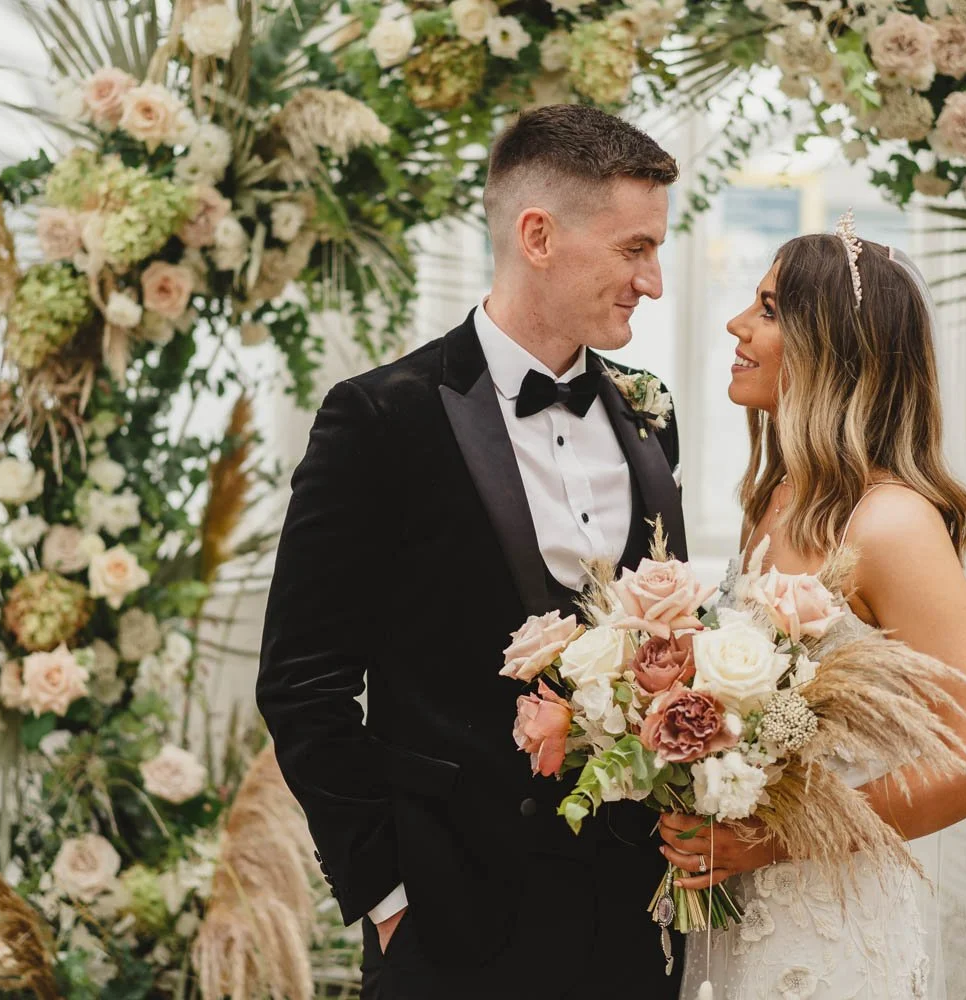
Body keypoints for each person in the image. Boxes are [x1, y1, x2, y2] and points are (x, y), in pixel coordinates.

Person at [257, 104, 687, 999]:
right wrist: (386, 897)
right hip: (451, 927)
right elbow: (303, 683)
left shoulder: (650, 411)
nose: (652, 281)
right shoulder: (380, 417)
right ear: (538, 235)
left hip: (631, 922)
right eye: (634, 249)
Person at [658, 222, 966, 998]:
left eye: (769, 310)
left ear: (833, 348)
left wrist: (773, 837)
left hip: (833, 928)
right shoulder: (777, 500)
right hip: (742, 918)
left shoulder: (892, 524)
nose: (737, 325)